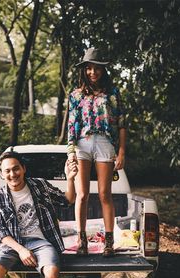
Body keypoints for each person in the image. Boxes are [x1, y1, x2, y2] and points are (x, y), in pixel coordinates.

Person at [67, 47, 127, 257]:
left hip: (104, 143)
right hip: (82, 143)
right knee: (81, 194)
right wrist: (71, 152)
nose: (93, 72)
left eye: (97, 68)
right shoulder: (75, 95)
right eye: (89, 68)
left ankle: (108, 242)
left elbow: (121, 123)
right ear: (84, 70)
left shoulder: (113, 93)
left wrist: (121, 152)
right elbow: (71, 124)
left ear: (103, 70)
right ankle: (81, 239)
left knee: (104, 194)